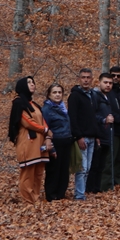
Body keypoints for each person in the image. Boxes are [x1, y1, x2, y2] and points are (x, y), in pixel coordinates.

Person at [9, 76, 51, 203]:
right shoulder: (19, 103)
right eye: (29, 83)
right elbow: (28, 122)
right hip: (28, 142)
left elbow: (43, 121)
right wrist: (44, 130)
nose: (32, 84)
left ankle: (36, 197)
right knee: (28, 172)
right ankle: (28, 200)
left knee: (38, 173)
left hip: (40, 143)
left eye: (33, 82)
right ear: (22, 86)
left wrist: (47, 132)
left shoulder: (34, 104)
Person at [67, 68, 101, 200]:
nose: (86, 80)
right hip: (82, 136)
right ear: (79, 79)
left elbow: (94, 117)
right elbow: (73, 118)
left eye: (88, 77)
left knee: (88, 168)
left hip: (92, 136)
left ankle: (82, 192)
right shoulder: (75, 96)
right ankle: (79, 194)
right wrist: (78, 137)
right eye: (83, 77)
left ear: (92, 79)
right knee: (82, 168)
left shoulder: (93, 95)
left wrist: (97, 135)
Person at [41, 83, 73, 201]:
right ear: (49, 95)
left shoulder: (63, 108)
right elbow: (45, 128)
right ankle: (51, 194)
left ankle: (61, 193)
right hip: (55, 142)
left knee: (64, 170)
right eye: (54, 92)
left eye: (59, 92)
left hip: (66, 141)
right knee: (54, 169)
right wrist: (51, 146)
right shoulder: (46, 109)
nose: (57, 95)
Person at [89, 73, 116, 193]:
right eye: (105, 82)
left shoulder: (108, 97)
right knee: (94, 164)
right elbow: (92, 115)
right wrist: (104, 120)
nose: (108, 85)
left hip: (107, 135)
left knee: (101, 164)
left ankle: (97, 187)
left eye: (110, 83)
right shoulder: (94, 96)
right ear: (99, 82)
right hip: (98, 135)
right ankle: (90, 188)